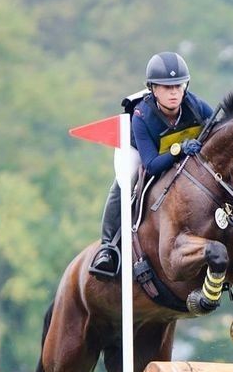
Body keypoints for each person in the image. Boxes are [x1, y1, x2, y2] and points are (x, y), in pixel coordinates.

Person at [89, 51, 214, 279]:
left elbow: (219, 130)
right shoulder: (141, 116)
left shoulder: (196, 106)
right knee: (126, 181)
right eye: (167, 87)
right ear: (153, 89)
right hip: (140, 150)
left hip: (177, 149)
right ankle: (107, 247)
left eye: (178, 86)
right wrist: (179, 150)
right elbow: (153, 165)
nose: (174, 92)